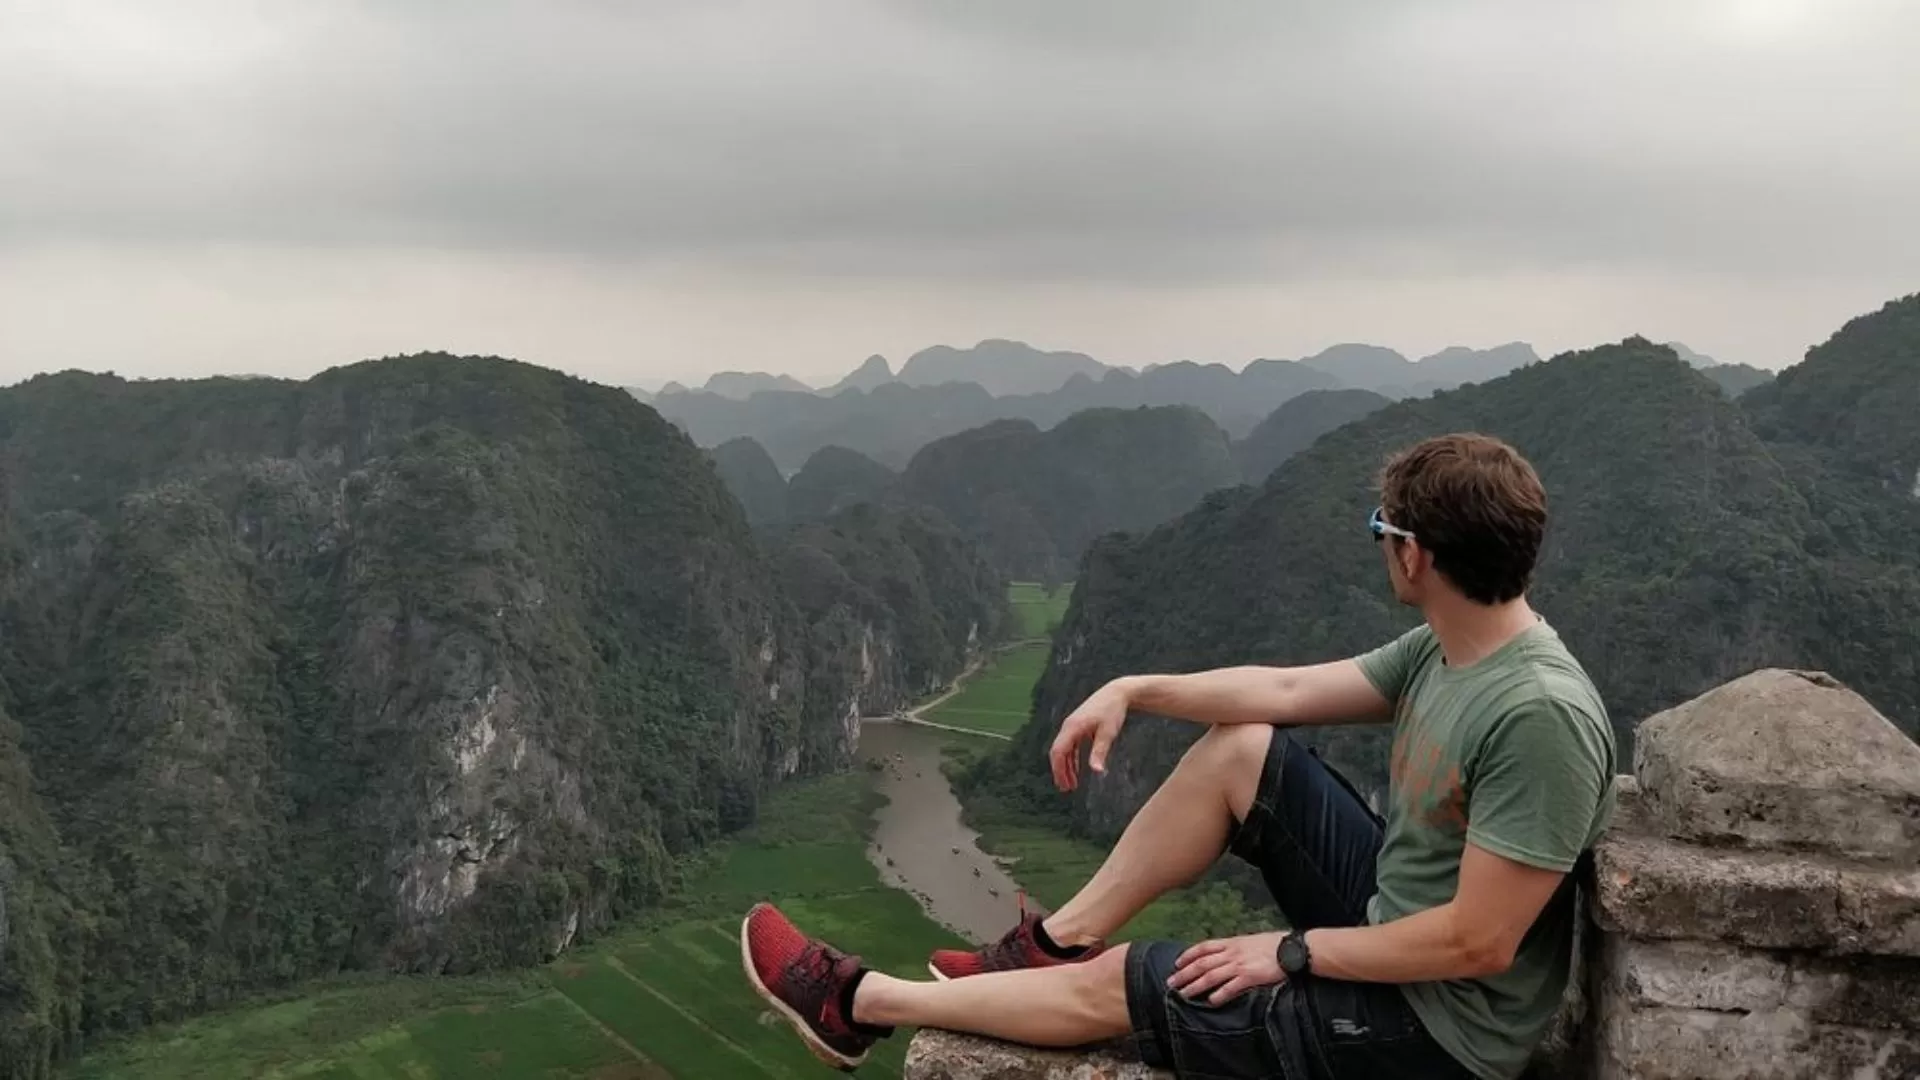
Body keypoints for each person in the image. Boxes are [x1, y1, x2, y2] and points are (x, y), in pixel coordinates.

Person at [741, 433, 1617, 1080]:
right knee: (1243, 752)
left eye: (1379, 528)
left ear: (1416, 554)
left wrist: (1294, 952)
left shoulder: (1538, 714)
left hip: (1436, 1032)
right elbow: (1280, 697)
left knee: (1131, 981)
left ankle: (858, 1004)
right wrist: (1133, 687)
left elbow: (1481, 941)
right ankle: (1051, 943)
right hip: (1393, 923)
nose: (1380, 544)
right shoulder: (1447, 647)